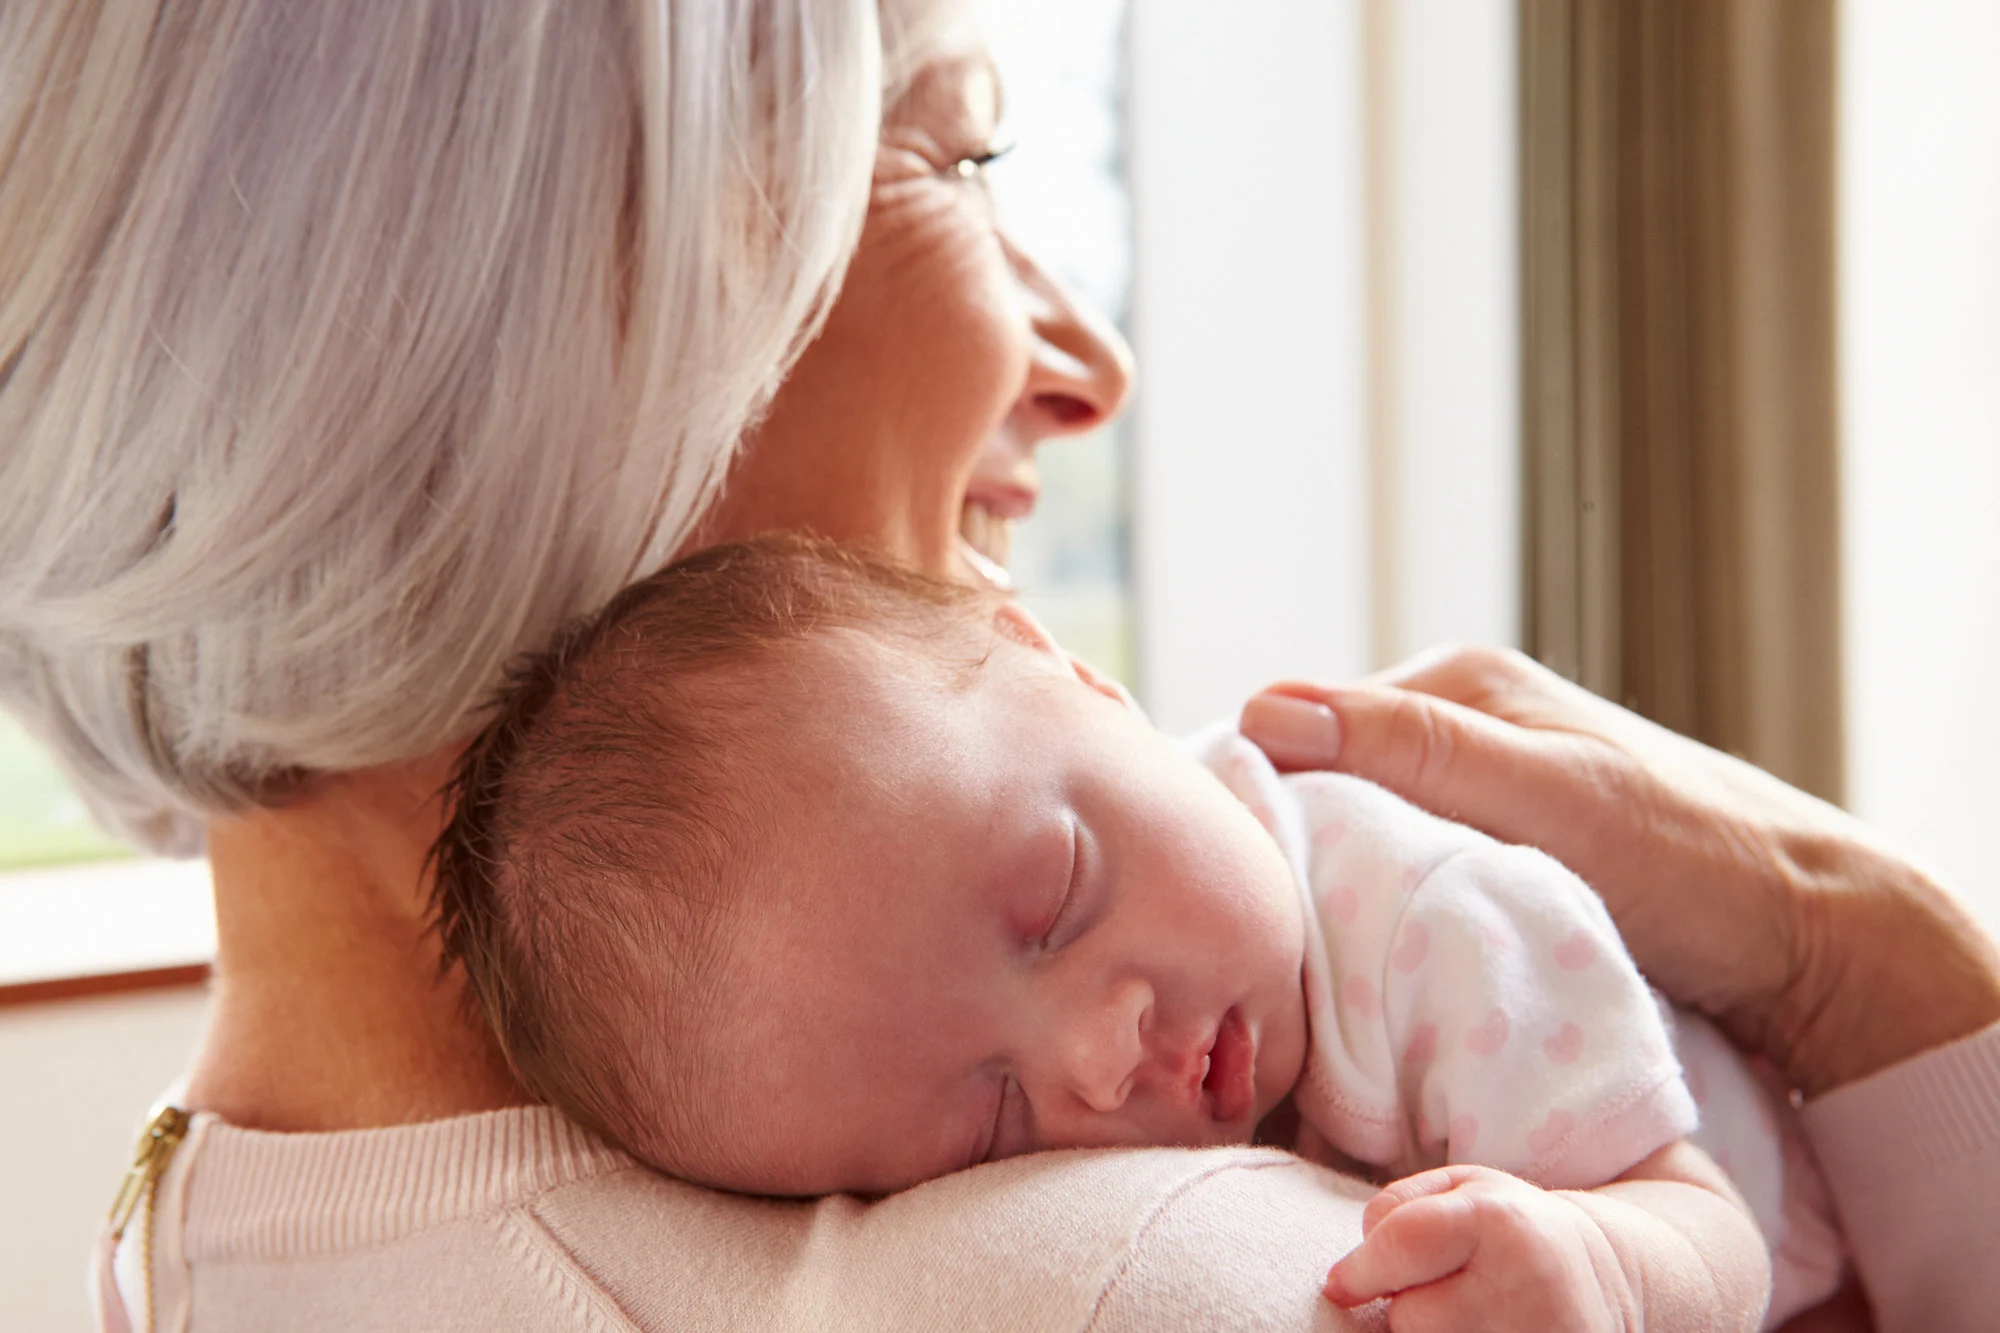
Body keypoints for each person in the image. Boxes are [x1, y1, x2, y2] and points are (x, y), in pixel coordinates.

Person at [0, 2, 1991, 1330]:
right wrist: (1880, 965)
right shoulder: (1164, 1272)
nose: (1089, 367)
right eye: (952, 164)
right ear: (512, 332)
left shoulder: (211, 1235)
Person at [425, 532, 1810, 1330]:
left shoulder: (1430, 933)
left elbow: (1718, 1224)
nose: (1102, 1055)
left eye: (1059, 899)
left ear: (1074, 675)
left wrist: (1606, 1270)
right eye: (988, 1123)